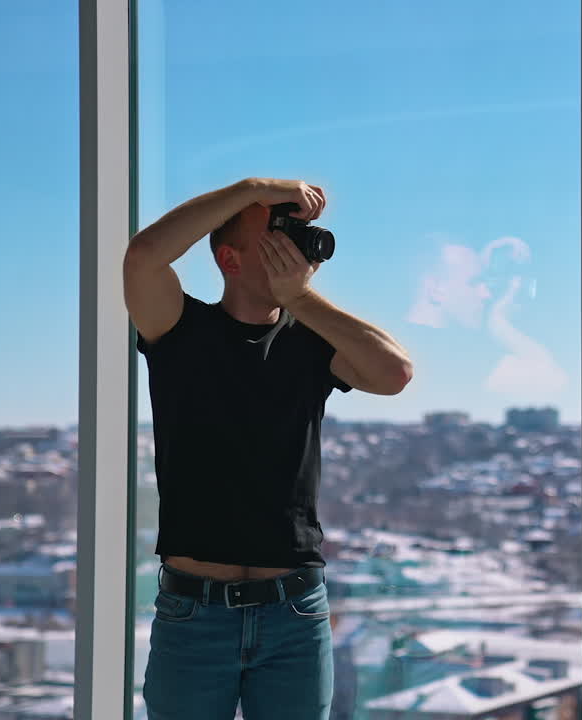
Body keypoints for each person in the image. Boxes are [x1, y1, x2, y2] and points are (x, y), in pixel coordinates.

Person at [123, 177, 413, 720]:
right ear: (229, 259)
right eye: (276, 233)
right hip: (193, 613)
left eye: (297, 233)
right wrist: (252, 190)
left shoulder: (309, 340)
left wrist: (302, 298)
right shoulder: (180, 328)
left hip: (295, 613)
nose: (293, 245)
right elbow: (142, 256)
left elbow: (395, 373)